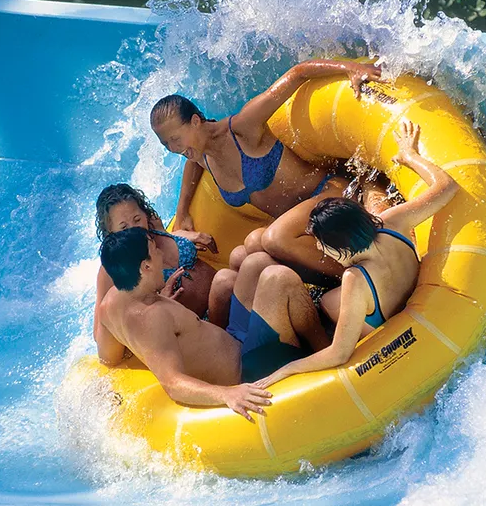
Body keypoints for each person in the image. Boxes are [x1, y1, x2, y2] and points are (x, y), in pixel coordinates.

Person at [251, 121, 459, 388]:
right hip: (413, 291)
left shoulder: (355, 279)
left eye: (321, 243)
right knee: (332, 299)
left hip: (387, 321)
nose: (318, 248)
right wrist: (410, 156)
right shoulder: (391, 221)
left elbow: (339, 353)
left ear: (339, 247)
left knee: (327, 302)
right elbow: (447, 186)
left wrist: (288, 370)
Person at [150, 59, 383, 284]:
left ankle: (366, 276)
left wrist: (351, 68)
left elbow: (298, 74)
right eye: (166, 144)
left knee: (275, 238)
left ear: (195, 121)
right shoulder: (200, 155)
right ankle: (338, 282)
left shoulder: (243, 128)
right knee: (248, 249)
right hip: (309, 228)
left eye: (175, 139)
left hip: (332, 199)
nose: (174, 149)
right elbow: (192, 165)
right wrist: (182, 212)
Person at [96, 227, 269, 420]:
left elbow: (108, 359)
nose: (161, 253)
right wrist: (226, 394)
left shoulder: (110, 304)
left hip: (234, 337)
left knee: (255, 264)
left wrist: (160, 298)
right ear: (146, 267)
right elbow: (173, 384)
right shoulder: (153, 318)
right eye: (155, 250)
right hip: (246, 370)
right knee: (276, 279)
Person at [93, 184, 236, 332]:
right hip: (204, 325)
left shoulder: (153, 225)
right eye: (124, 227)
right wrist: (157, 304)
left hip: (224, 299)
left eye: (137, 219)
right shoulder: (111, 269)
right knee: (225, 281)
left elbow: (167, 237)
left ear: (145, 213)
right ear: (110, 233)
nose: (135, 229)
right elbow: (100, 330)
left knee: (239, 260)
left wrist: (186, 235)